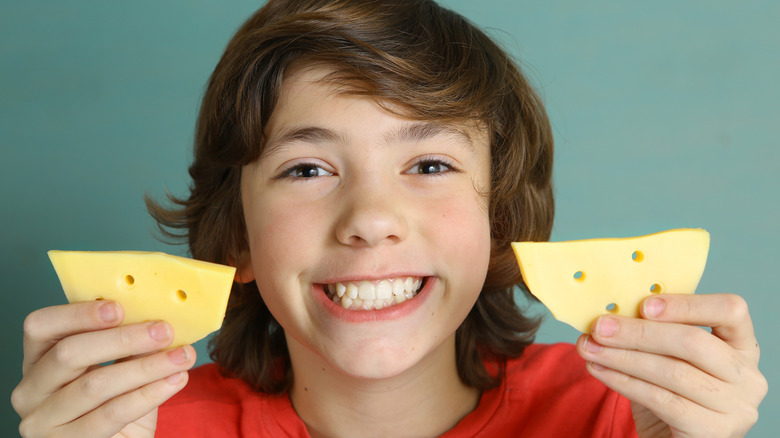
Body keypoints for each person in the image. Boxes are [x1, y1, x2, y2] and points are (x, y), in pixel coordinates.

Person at [12, 1, 767, 437]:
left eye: (430, 166)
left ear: (501, 220)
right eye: (307, 170)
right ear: (237, 235)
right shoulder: (144, 429)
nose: (370, 220)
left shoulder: (622, 416)